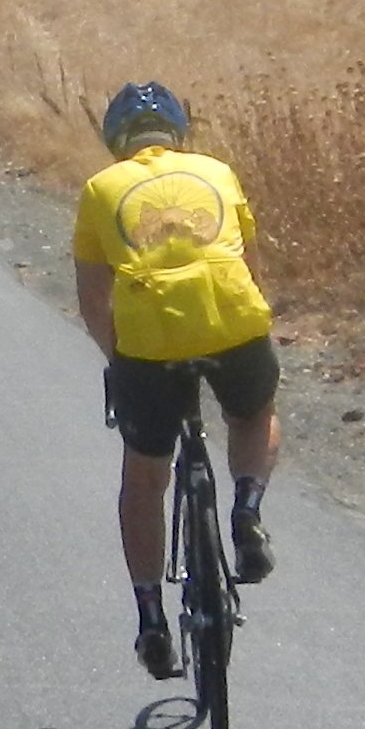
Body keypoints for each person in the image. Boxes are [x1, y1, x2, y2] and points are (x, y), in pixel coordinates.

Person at [72, 79, 276, 678]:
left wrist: (121, 361)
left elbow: (92, 298)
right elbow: (251, 267)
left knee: (144, 479)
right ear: (179, 133)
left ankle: (151, 620)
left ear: (116, 141)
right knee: (253, 414)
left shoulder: (100, 189)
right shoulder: (218, 172)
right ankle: (246, 508)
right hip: (233, 322)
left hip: (149, 343)